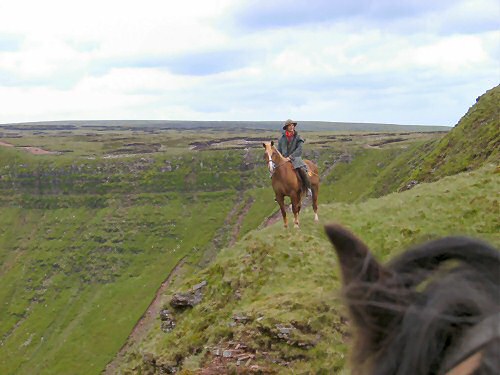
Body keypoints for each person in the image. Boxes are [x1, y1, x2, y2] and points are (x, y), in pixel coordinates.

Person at [277, 119, 312, 196]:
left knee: (302, 170)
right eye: (290, 125)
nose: (292, 127)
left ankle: (308, 188)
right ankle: (278, 192)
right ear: (286, 127)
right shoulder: (282, 138)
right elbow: (279, 150)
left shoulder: (298, 137)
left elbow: (299, 149)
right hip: (284, 159)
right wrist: (281, 158)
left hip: (295, 158)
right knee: (276, 172)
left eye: (293, 125)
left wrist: (290, 157)